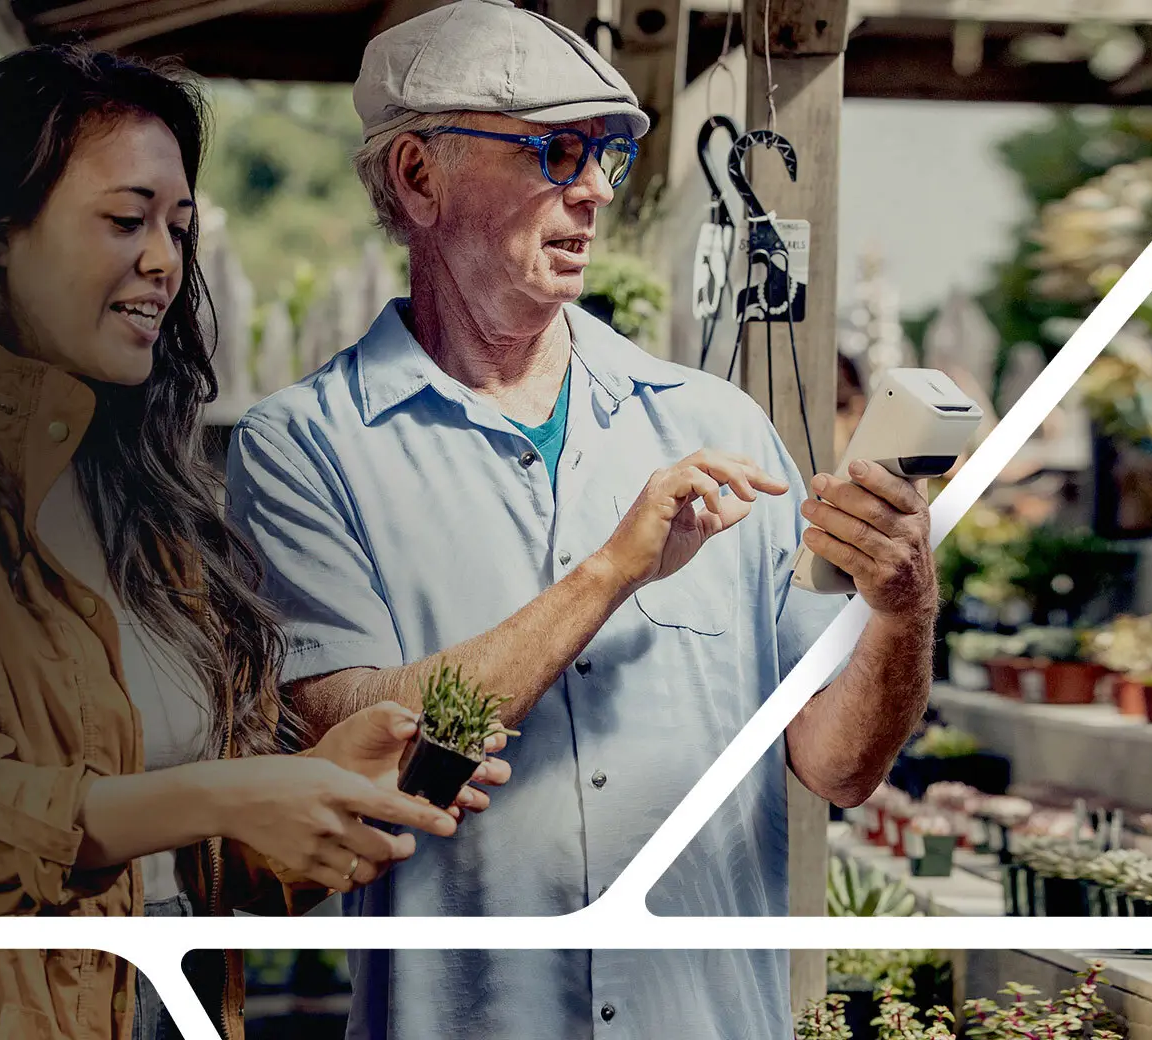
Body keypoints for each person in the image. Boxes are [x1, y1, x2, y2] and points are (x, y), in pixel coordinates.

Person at [0, 46, 499, 1040]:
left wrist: (324, 789)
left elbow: (199, 869)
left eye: (179, 227)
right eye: (127, 220)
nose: (166, 261)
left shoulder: (138, 490)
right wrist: (237, 788)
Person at [223, 2, 941, 1037]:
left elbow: (838, 762)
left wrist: (903, 604)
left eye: (605, 153)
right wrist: (608, 573)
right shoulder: (305, 447)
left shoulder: (714, 420)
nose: (598, 188)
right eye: (555, 151)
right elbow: (357, 740)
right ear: (420, 177)